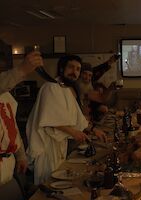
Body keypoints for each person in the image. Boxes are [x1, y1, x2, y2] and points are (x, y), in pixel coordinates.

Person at [26, 55, 106, 185]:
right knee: (48, 183)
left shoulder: (66, 89)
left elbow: (77, 118)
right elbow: (49, 120)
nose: (74, 72)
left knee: (59, 180)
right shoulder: (51, 87)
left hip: (60, 144)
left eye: (77, 69)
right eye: (71, 67)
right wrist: (74, 132)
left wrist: (93, 129)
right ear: (62, 68)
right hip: (48, 146)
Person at [0, 51, 43, 184]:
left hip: (8, 162)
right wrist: (21, 70)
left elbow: (12, 128)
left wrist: (21, 156)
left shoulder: (7, 95)